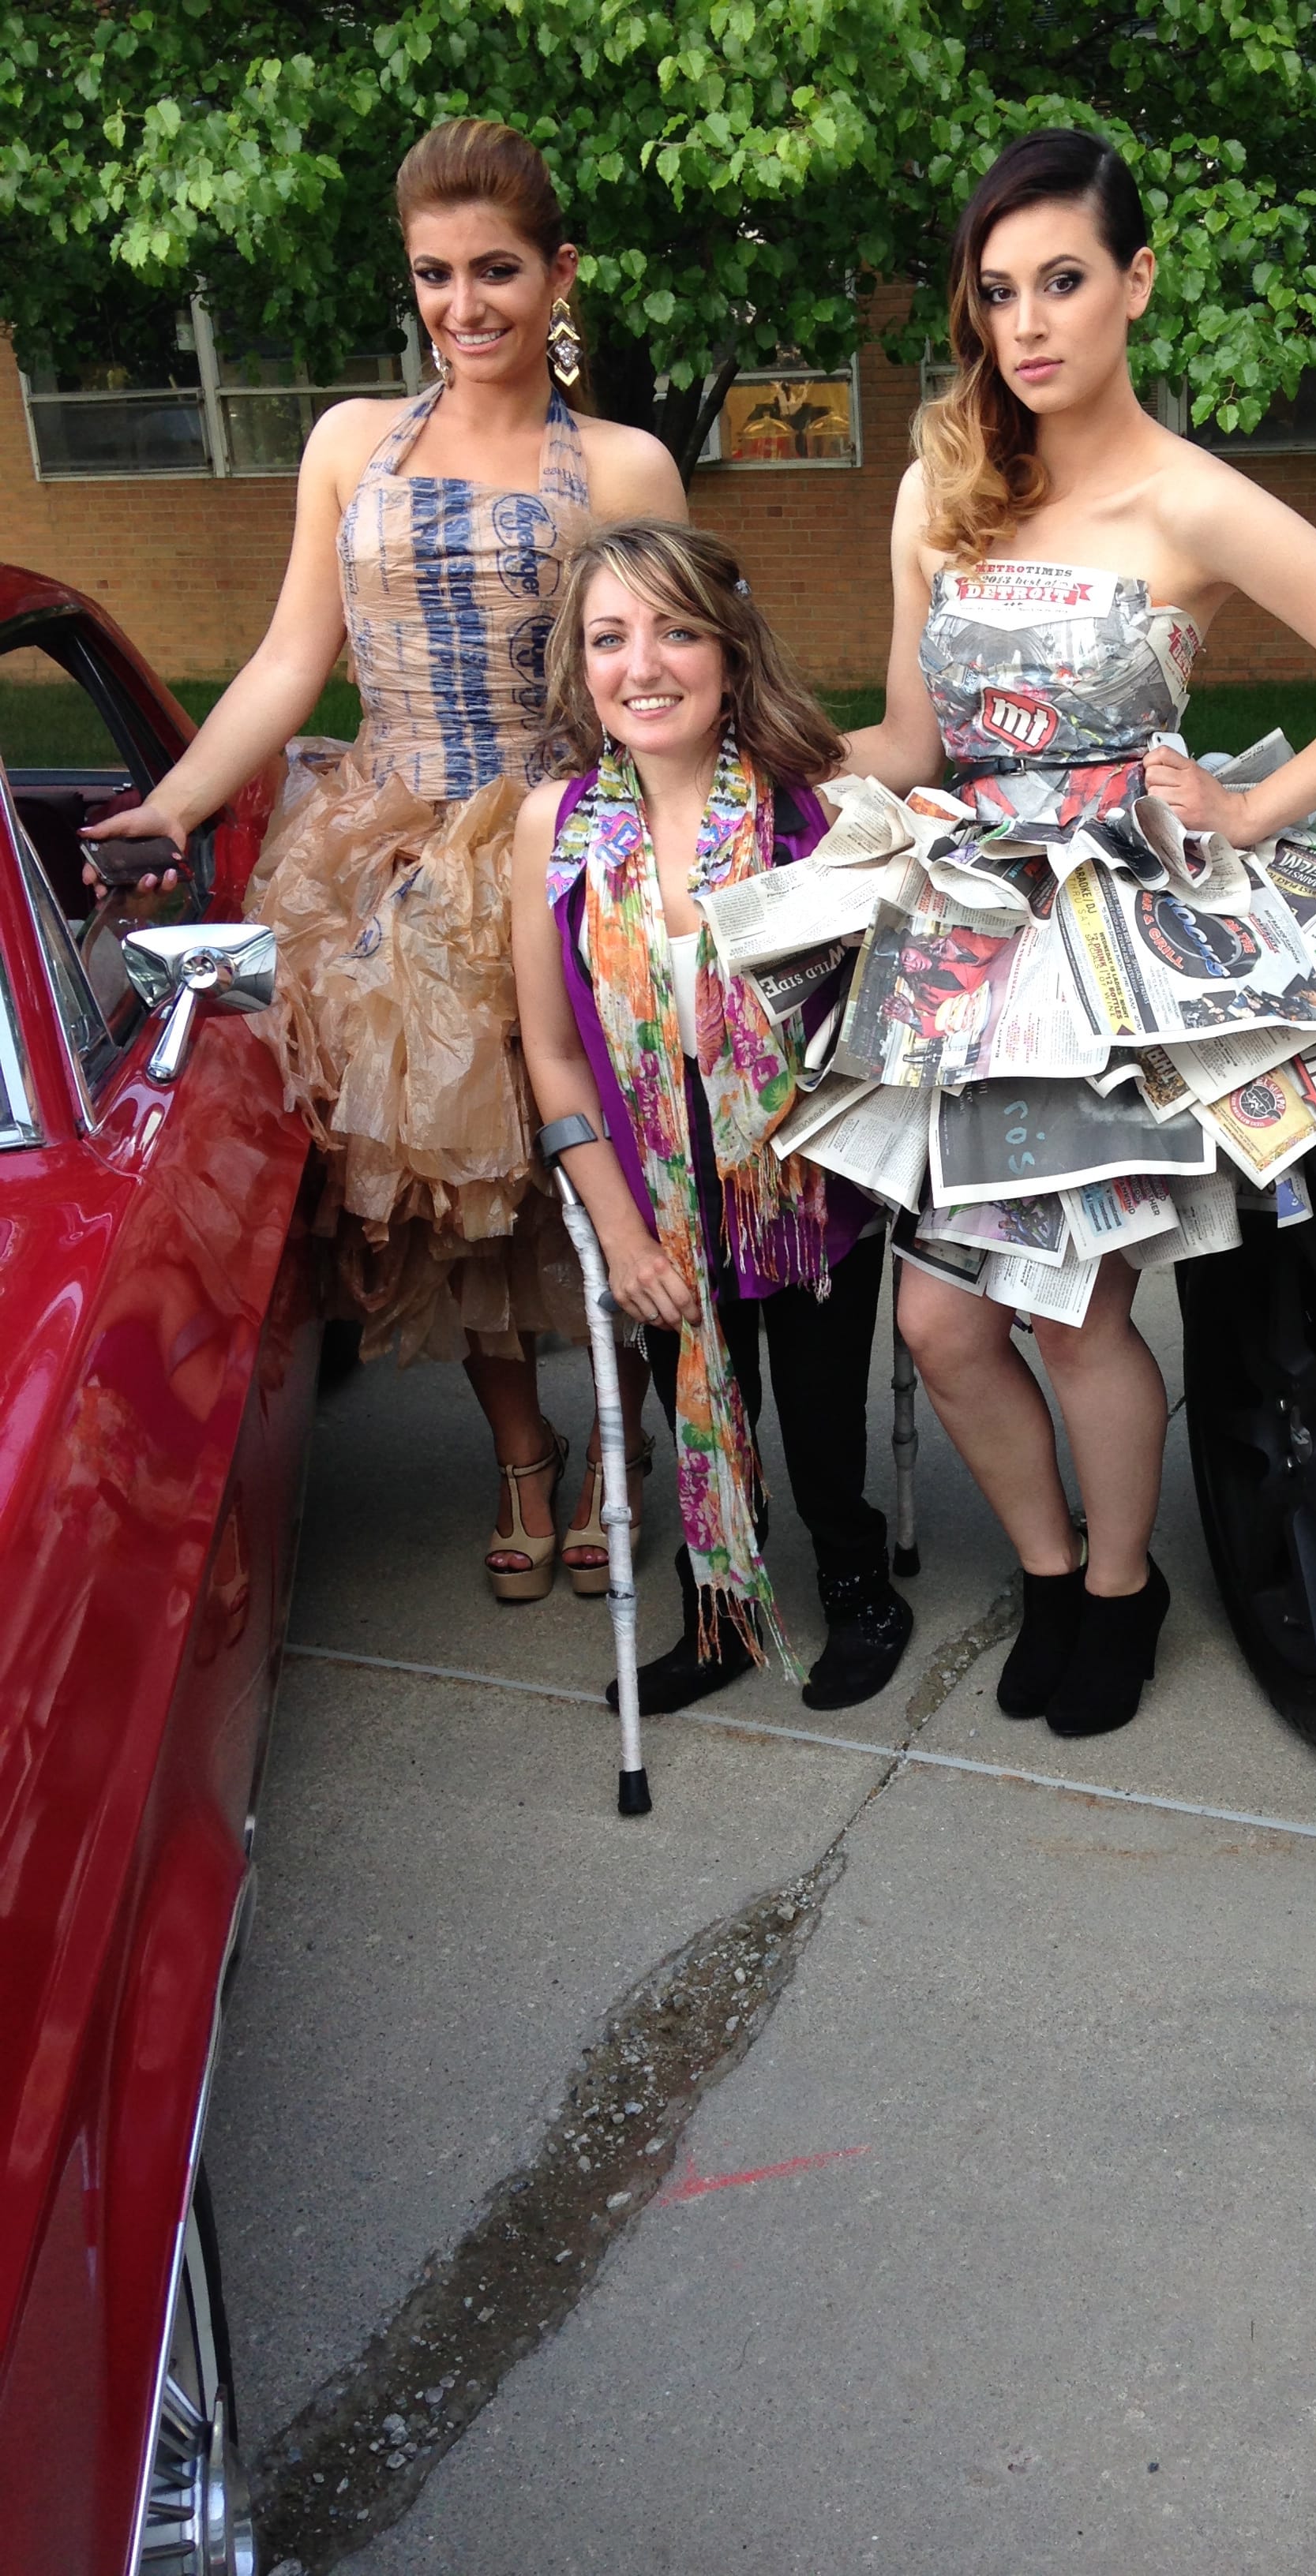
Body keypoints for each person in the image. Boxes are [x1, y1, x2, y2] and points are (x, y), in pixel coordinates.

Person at [842, 128, 1316, 1739]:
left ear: (1136, 282)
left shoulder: (1194, 499)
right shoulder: (941, 488)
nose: (1028, 325)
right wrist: (747, 767)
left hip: (1113, 956)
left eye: (1062, 282)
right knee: (940, 1323)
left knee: (1075, 1315)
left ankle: (1122, 1590)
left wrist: (1249, 811)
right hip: (973, 940)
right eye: (998, 293)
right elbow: (910, 739)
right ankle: (1052, 1570)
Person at [84, 119, 687, 1602]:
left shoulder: (627, 464)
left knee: (604, 1164)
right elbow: (294, 657)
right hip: (391, 863)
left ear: (559, 275)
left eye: (497, 271)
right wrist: (172, 808)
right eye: (434, 274)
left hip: (566, 848)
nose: (463, 305)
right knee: (447, 1192)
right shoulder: (351, 441)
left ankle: (625, 1447)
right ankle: (524, 1455)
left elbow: (672, 678)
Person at [510, 519, 915, 1713]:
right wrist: (621, 1237)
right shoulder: (556, 826)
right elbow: (552, 1055)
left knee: (822, 1422)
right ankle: (719, 1613)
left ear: (731, 654)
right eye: (610, 638)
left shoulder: (814, 810)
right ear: (581, 667)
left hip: (805, 1173)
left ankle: (857, 1584)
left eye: (677, 631)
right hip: (655, 1191)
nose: (643, 666)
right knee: (704, 1397)